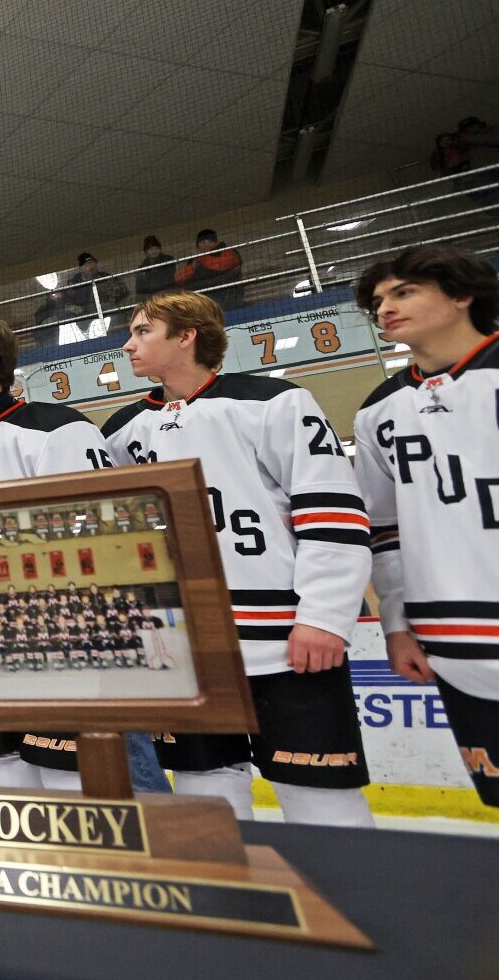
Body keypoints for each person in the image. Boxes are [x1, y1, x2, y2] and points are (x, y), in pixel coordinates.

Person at [105, 291, 374, 826]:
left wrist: (323, 615)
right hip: (184, 646)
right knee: (205, 798)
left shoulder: (275, 402)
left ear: (187, 336)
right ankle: (231, 903)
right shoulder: (119, 432)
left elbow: (332, 512)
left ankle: (353, 908)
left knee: (321, 796)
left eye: (142, 332)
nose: (127, 345)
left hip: (286, 639)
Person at [0, 317, 168, 794]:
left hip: (68, 626)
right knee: (5, 760)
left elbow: (97, 538)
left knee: (101, 769)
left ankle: (154, 861)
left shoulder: (61, 429)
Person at [352, 245, 499, 807]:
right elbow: (383, 529)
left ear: (462, 295)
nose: (384, 308)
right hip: (452, 642)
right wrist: (395, 621)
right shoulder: (378, 411)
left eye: (403, 292)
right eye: (378, 300)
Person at [175, 229, 245, 308]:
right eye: (202, 242)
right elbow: (179, 279)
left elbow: (222, 265)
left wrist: (202, 259)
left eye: (209, 241)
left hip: (226, 295)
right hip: (204, 299)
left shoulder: (226, 251)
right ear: (198, 246)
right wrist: (192, 268)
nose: (206, 245)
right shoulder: (194, 261)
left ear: (215, 242)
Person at [135, 235, 176, 299]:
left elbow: (170, 277)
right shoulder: (142, 267)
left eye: (156, 248)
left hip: (168, 293)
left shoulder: (168, 259)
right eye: (150, 249)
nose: (154, 251)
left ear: (160, 249)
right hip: (152, 297)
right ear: (146, 252)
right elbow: (140, 288)